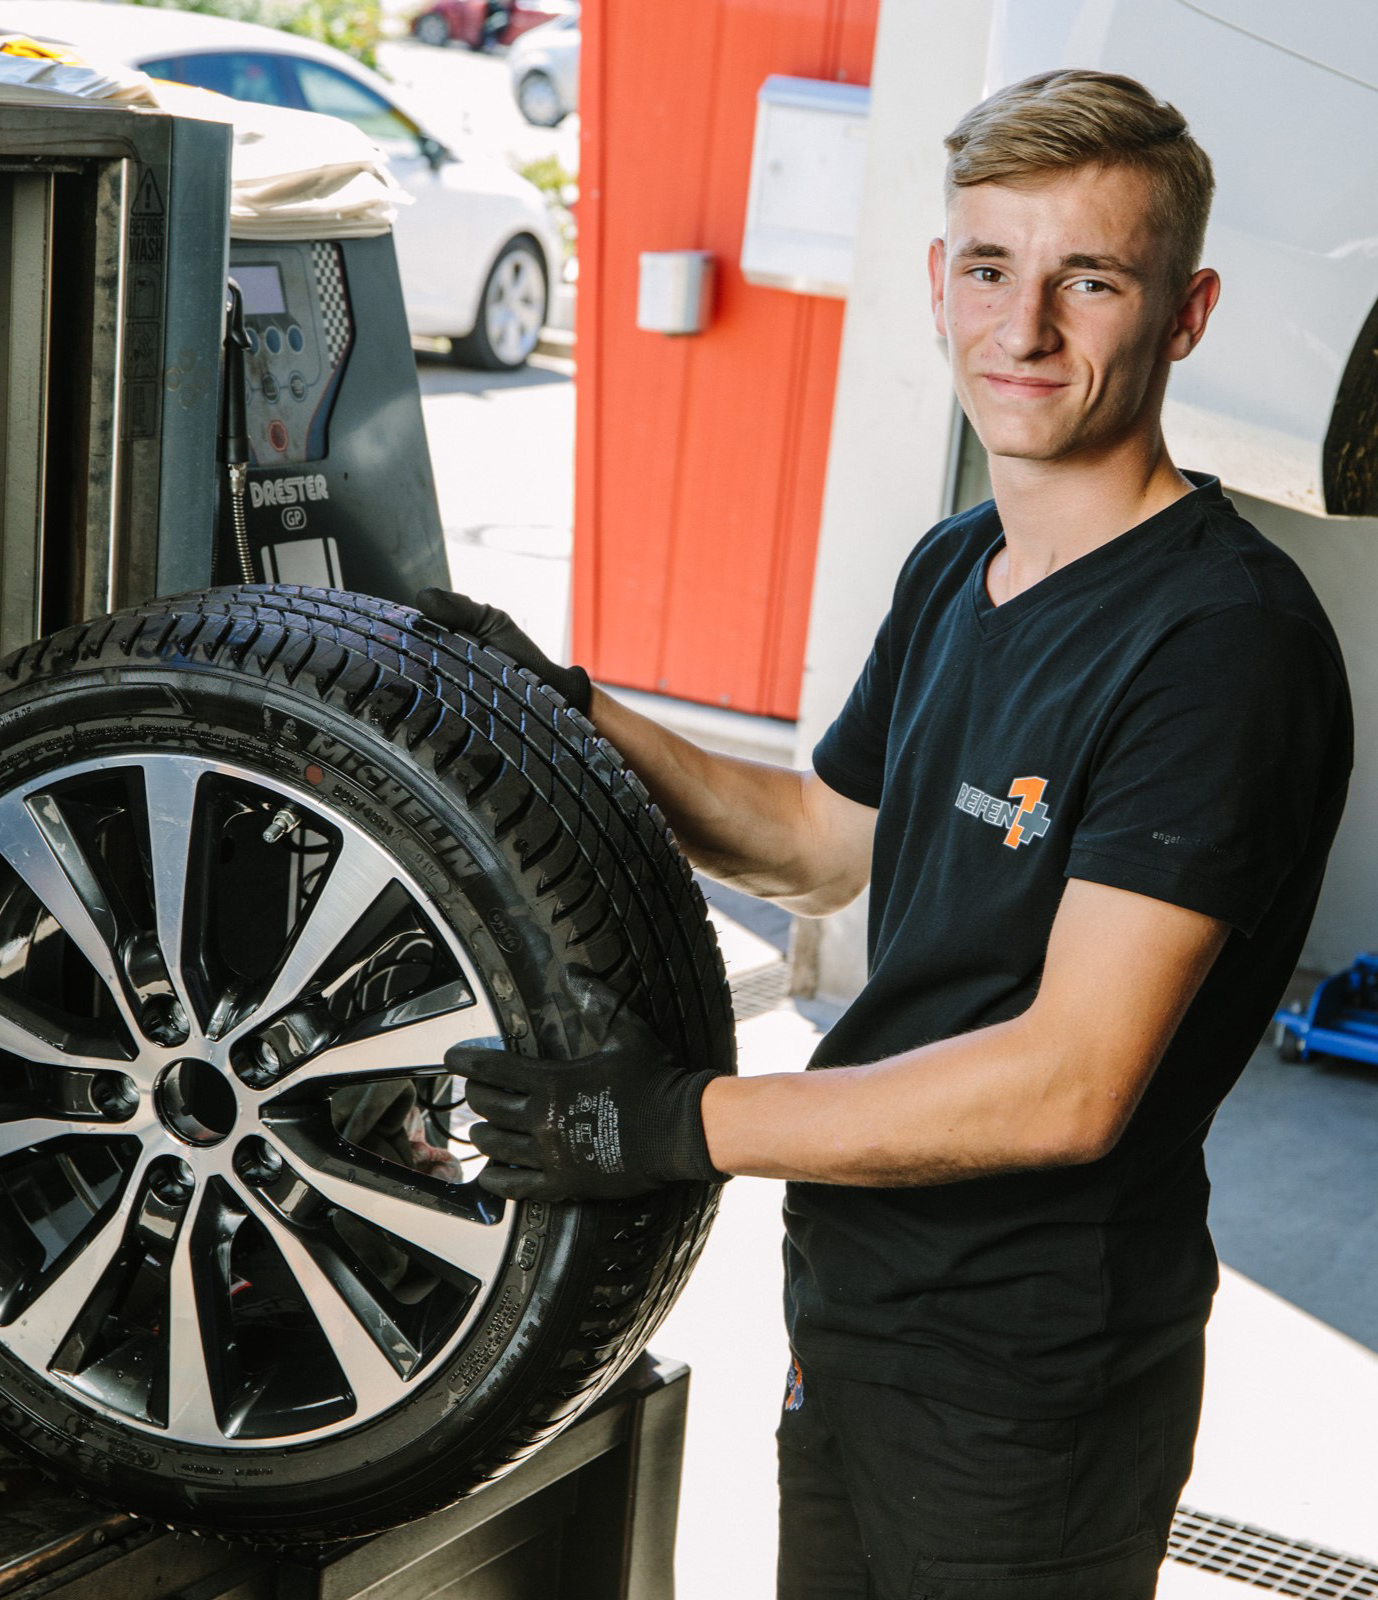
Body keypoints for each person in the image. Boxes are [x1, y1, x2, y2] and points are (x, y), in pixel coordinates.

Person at [417, 69, 1353, 1599]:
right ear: (938, 281)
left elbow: (1068, 1084)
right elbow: (819, 838)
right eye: (990, 268)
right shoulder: (960, 563)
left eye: (1090, 280)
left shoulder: (1219, 645)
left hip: (1028, 1373)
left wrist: (672, 1125)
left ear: (1185, 314)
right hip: (855, 1300)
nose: (1024, 327)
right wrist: (575, 712)